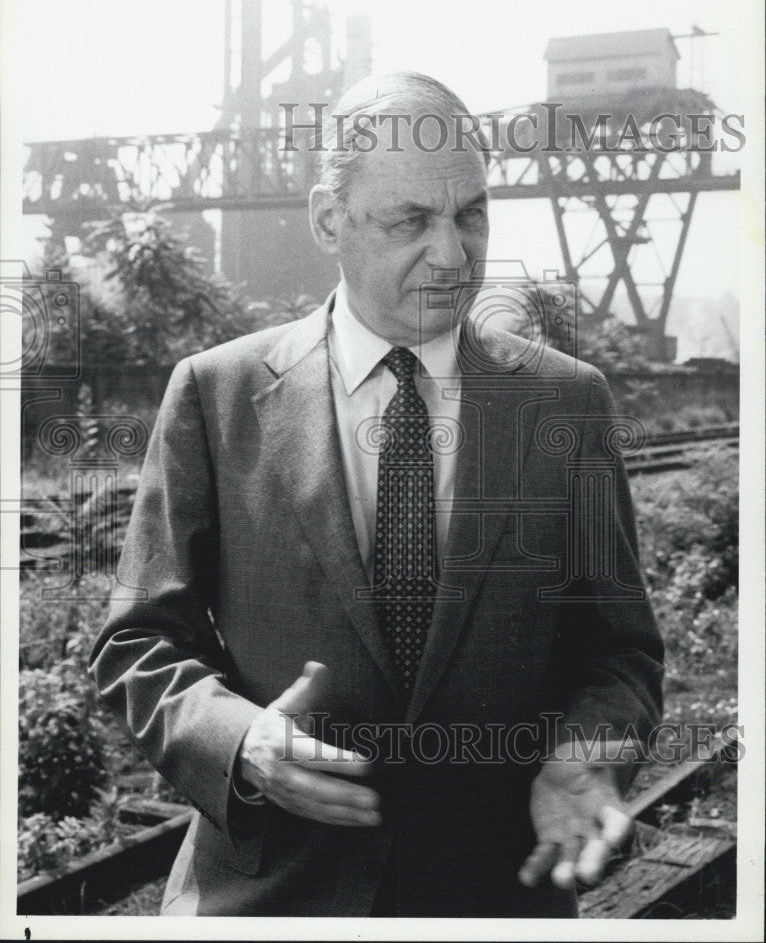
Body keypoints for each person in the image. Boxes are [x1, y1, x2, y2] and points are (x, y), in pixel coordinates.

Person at [89, 71, 664, 918]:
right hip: (267, 897)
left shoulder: (564, 403)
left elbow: (619, 654)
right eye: (411, 221)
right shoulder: (215, 395)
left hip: (495, 894)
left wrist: (588, 750)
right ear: (330, 220)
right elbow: (137, 641)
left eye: (471, 213)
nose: (454, 252)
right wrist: (241, 740)